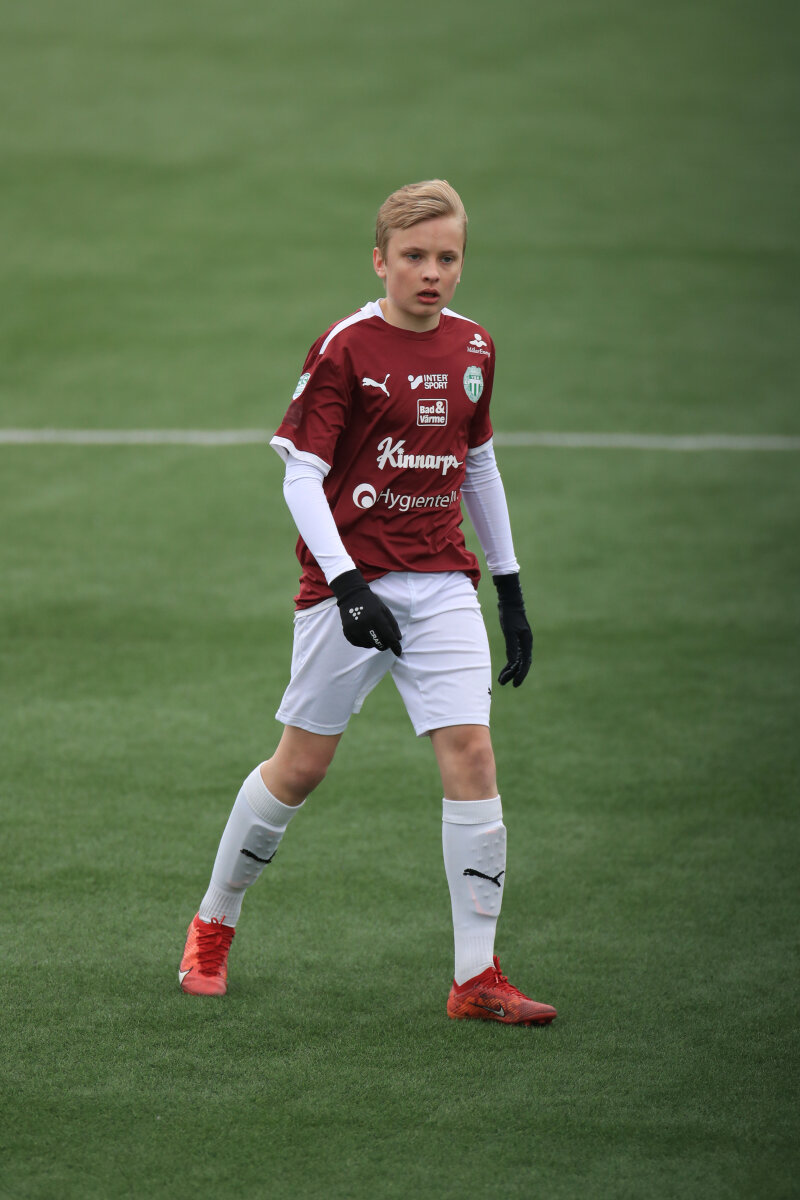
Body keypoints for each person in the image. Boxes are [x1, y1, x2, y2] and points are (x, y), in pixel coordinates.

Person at [178, 179, 557, 1026]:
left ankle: (476, 978)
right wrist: (349, 585)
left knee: (472, 753)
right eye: (414, 256)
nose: (432, 273)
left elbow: (478, 462)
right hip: (349, 587)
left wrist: (509, 587)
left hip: (443, 581)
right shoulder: (345, 349)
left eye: (447, 258)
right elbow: (300, 477)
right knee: (300, 769)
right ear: (379, 261)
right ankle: (214, 921)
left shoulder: (475, 347)